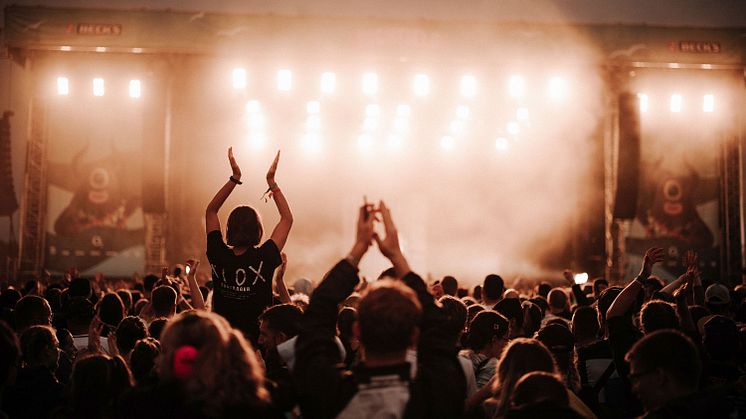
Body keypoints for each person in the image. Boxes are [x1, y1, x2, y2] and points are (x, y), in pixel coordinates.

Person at [294, 201, 466, 418]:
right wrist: (397, 257)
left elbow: (317, 314)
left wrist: (358, 249)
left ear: (357, 331)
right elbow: (439, 330)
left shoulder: (326, 393)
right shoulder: (436, 395)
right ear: (414, 335)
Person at [205, 147, 292, 344]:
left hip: (221, 342)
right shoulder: (265, 256)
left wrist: (235, 178)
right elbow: (286, 219)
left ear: (229, 229)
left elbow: (211, 211)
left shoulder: (217, 252)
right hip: (256, 346)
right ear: (258, 230)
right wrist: (272, 183)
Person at [1, 325, 65, 419]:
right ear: (46, 351)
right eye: (56, 346)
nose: (59, 351)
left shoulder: (9, 387)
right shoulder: (55, 391)